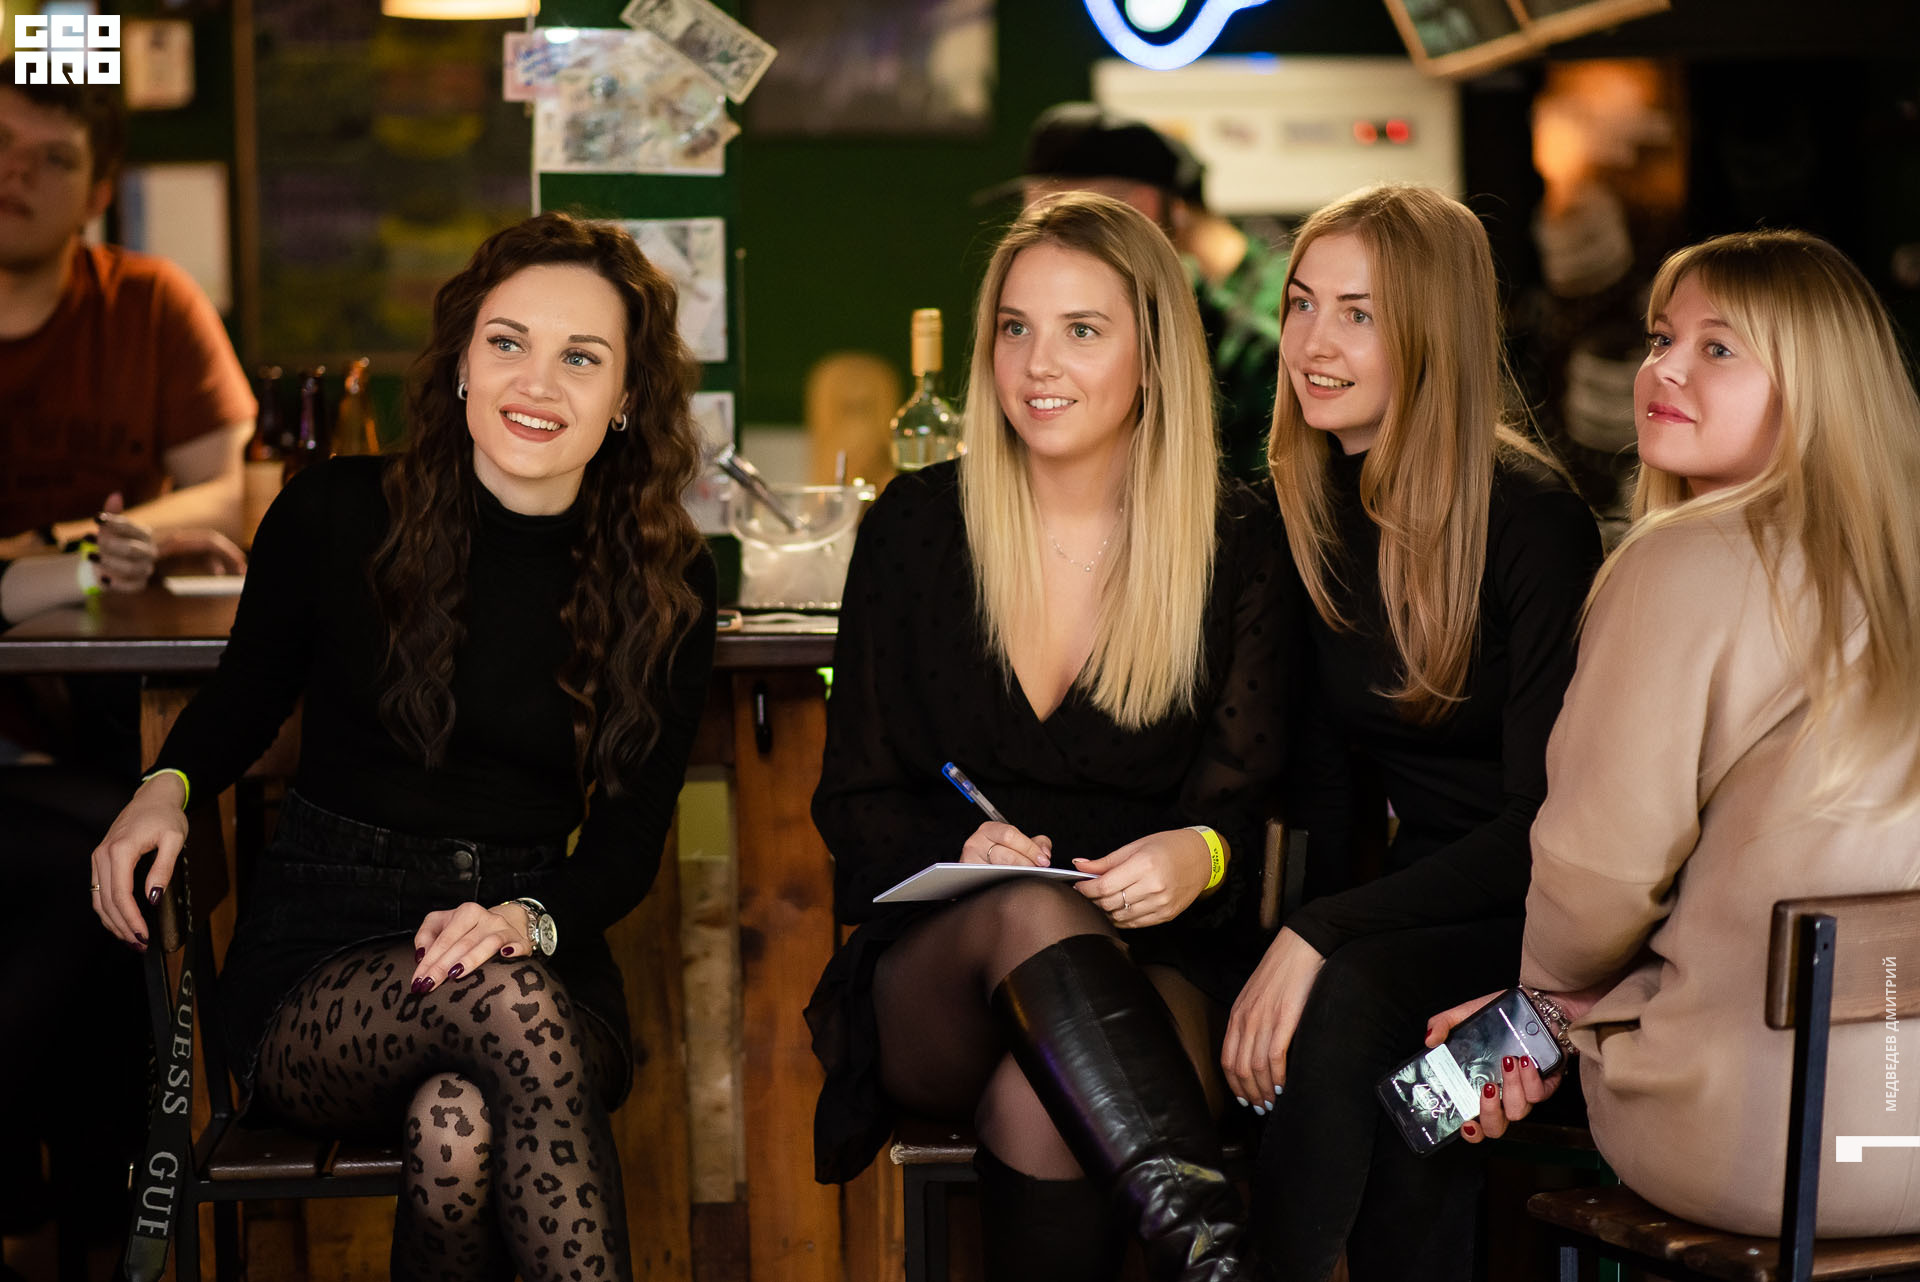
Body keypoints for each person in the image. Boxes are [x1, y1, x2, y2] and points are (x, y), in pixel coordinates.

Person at [86, 212, 718, 1282]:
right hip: (324, 958)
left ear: (626, 397)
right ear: (464, 360)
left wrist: (522, 920)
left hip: (527, 937)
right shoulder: (335, 514)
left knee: (456, 1131)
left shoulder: (668, 581)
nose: (536, 382)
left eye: (582, 357)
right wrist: (166, 786)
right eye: (508, 342)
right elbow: (243, 700)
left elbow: (627, 844)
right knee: (508, 1014)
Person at [806, 192, 1285, 1281]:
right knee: (1028, 909)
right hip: (943, 978)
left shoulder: (1236, 539)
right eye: (1015, 328)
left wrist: (1199, 855)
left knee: (1044, 1099)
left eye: (1082, 329)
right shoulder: (916, 526)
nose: (1038, 364)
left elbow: (1251, 809)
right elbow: (854, 805)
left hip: (1157, 964)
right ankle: (1222, 1264)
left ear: (1153, 356)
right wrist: (960, 849)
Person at [1434, 229, 1920, 1237]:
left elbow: (1597, 878)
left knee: (1436, 1078)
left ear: (1817, 383)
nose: (1664, 367)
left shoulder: (1680, 563)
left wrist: (1545, 1007)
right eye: (1663, 339)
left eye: (1718, 347)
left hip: (1772, 1151)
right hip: (1900, 1140)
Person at [1223, 184, 1601, 1282]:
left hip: (1555, 942)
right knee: (1394, 1092)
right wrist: (1289, 945)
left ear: (1432, 333)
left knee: (1364, 1009)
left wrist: (1319, 935)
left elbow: (1545, 826)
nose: (1313, 344)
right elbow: (1328, 792)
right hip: (1413, 914)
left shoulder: (1532, 519)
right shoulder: (1305, 508)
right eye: (1302, 304)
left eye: (1359, 314)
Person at [0, 60, 253, 558]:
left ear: (97, 198)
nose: (17, 171)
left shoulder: (151, 303)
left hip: (105, 604)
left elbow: (234, 497)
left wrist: (48, 547)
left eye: (56, 159)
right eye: (0, 141)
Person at [982, 102, 1287, 483]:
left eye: (1063, 219)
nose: (1040, 237)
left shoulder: (1257, 347)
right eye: (1015, 328)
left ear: (1141, 207)